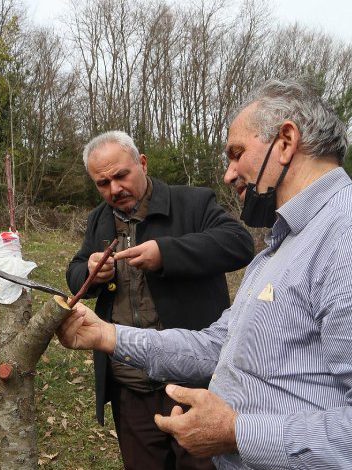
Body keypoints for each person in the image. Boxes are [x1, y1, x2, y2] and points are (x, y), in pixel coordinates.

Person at [57, 78, 352, 469]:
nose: (228, 173)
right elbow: (215, 345)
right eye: (101, 182)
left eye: (236, 153)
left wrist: (237, 433)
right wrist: (105, 334)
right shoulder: (284, 245)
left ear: (287, 142)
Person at [67, 130, 254, 469]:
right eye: (102, 183)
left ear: (141, 163)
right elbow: (76, 270)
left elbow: (238, 243)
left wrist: (166, 254)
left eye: (121, 175)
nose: (114, 190)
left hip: (193, 384)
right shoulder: (100, 218)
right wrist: (90, 271)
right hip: (130, 383)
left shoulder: (192, 203)